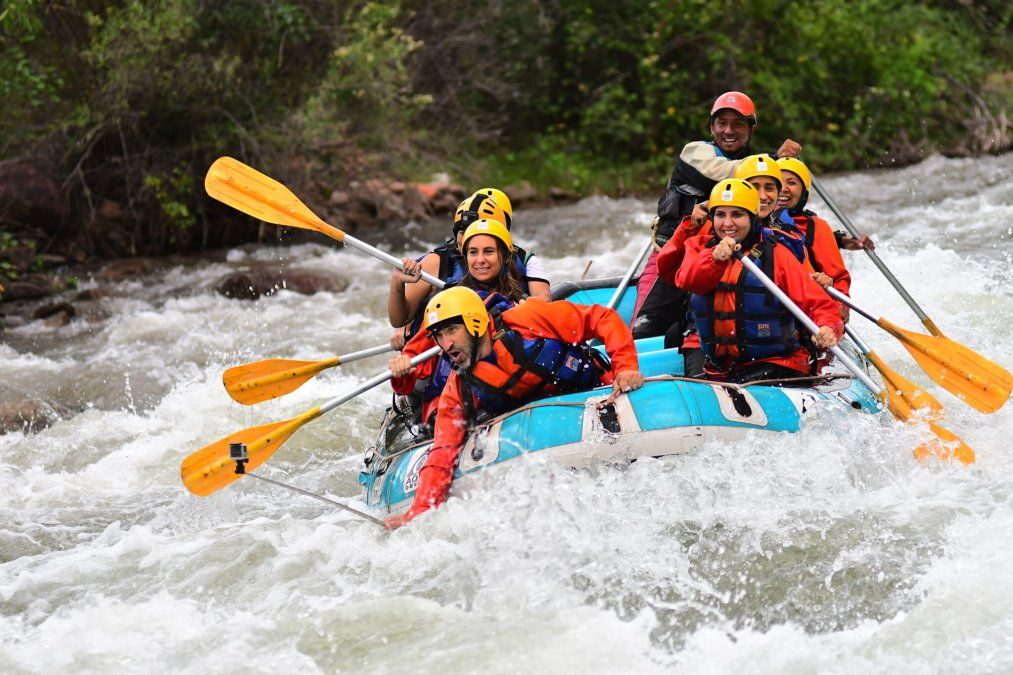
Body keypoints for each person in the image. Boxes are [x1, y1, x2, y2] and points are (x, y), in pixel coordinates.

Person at [385, 286, 644, 528]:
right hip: (542, 437)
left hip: (595, 391)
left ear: (475, 322)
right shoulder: (459, 387)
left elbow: (601, 318)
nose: (446, 343)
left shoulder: (527, 319)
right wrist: (418, 512)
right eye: (439, 335)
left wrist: (627, 367)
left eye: (452, 330)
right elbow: (442, 452)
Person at [632, 91, 803, 340]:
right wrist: (774, 159)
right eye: (722, 123)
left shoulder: (759, 168)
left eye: (738, 124)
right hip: (672, 254)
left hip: (725, 254)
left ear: (751, 130)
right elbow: (724, 172)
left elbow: (786, 209)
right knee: (643, 330)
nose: (729, 130)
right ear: (711, 127)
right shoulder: (694, 152)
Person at [675, 178, 843, 384]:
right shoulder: (698, 247)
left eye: (737, 214)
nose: (727, 223)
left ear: (752, 218)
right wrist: (713, 259)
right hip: (720, 366)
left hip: (776, 364)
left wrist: (827, 327)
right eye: (720, 215)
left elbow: (820, 305)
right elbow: (686, 280)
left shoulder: (776, 254)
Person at [388, 219, 528, 428]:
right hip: (456, 404)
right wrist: (402, 369)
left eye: (488, 251)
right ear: (465, 256)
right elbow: (415, 357)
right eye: (473, 253)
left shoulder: (519, 301)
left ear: (505, 256)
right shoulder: (447, 302)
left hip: (508, 393)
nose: (480, 260)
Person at [775, 157, 853, 320]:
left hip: (808, 315)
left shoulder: (816, 227)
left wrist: (840, 307)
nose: (783, 188)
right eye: (777, 181)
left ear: (803, 192)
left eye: (791, 182)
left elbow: (838, 278)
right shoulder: (748, 223)